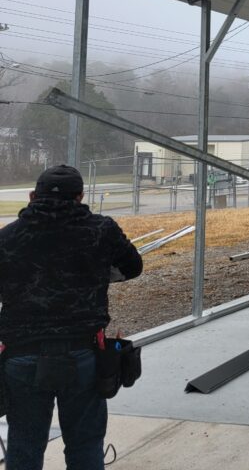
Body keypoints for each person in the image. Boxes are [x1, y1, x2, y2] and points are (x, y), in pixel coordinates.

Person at [0, 165, 143, 470]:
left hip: (22, 356)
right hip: (85, 356)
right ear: (80, 196)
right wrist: (94, 273)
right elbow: (133, 267)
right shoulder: (101, 230)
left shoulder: (8, 237)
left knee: (24, 447)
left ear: (31, 196)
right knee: (85, 446)